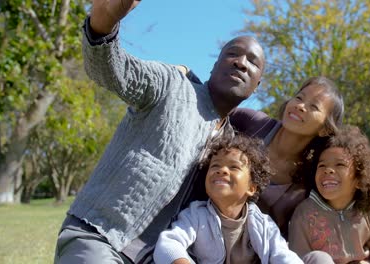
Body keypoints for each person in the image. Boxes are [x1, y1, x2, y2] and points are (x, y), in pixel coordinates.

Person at [54, 0, 266, 263]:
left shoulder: (232, 149)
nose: (241, 63)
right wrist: (102, 24)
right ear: (214, 65)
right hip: (100, 236)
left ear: (257, 85)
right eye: (232, 54)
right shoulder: (172, 86)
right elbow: (114, 71)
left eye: (252, 62)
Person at [153, 134, 303, 264]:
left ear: (251, 188)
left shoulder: (264, 225)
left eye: (234, 167)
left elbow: (284, 256)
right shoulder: (196, 215)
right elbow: (169, 244)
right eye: (215, 166)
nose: (222, 170)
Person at [229, 76, 345, 238]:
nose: (301, 106)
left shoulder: (311, 178)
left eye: (314, 106)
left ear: (325, 129)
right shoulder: (255, 123)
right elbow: (212, 104)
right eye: (299, 98)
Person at [288, 126, 370, 264]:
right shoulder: (303, 214)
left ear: (360, 180)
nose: (328, 170)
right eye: (322, 166)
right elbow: (298, 259)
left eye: (340, 164)